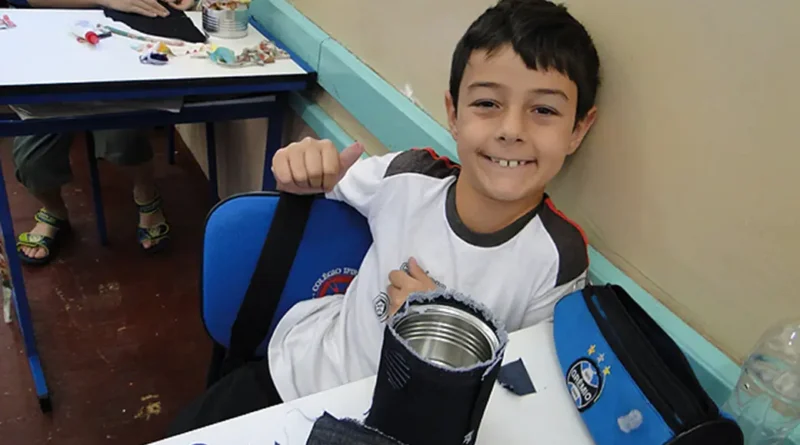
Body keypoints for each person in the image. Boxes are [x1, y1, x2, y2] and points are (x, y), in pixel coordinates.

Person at [169, 0, 600, 433]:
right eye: (487, 103)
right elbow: (317, 177)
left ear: (578, 129)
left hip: (408, 427)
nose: (511, 129)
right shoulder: (408, 177)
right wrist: (300, 163)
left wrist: (440, 324)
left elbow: (525, 383)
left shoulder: (557, 256)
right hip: (295, 382)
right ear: (453, 114)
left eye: (543, 110)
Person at [12, 0, 195, 265]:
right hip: (49, 45)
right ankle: (54, 211)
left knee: (125, 135)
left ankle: (146, 195)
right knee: (32, 158)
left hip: (121, 40)